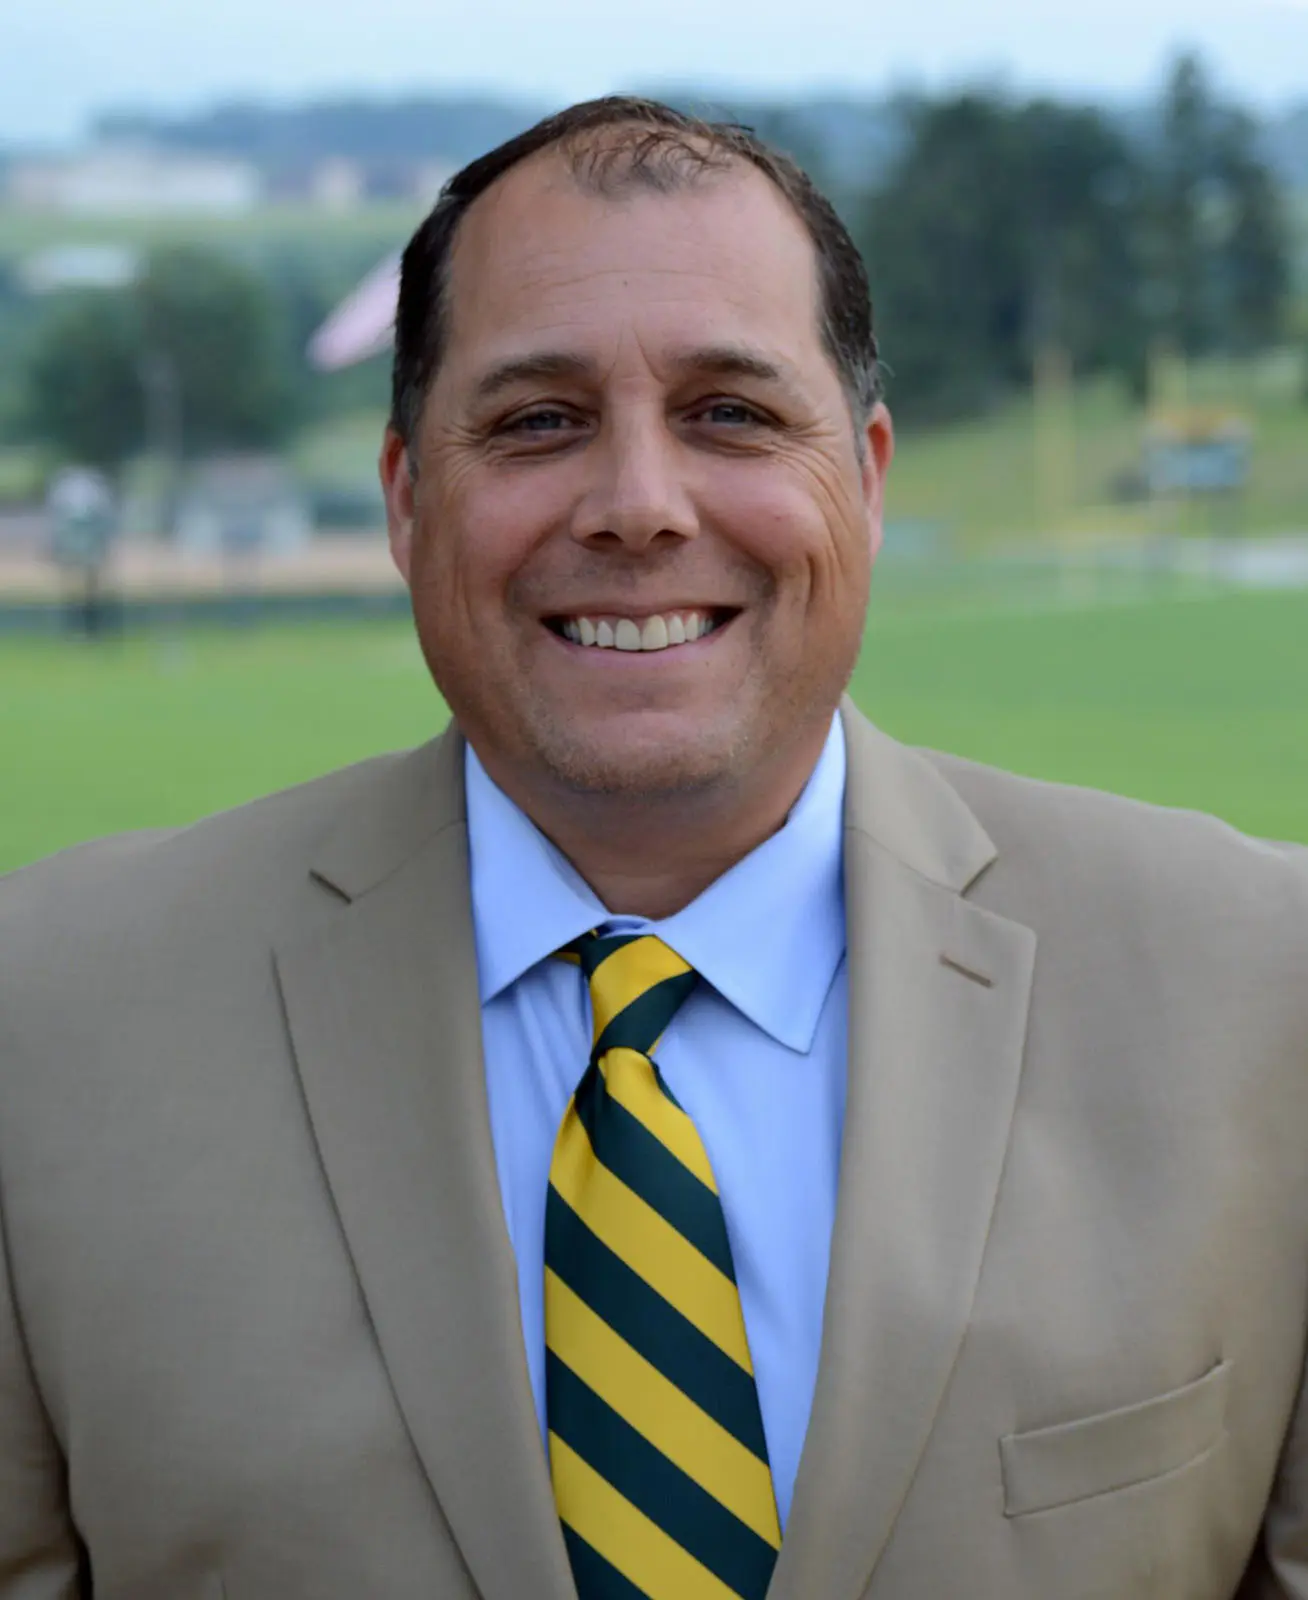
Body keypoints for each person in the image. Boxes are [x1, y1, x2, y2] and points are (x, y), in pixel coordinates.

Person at [1, 96, 1306, 1600]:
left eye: (732, 414)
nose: (638, 505)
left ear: (868, 479)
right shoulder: (44, 1023)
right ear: (407, 499)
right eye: (538, 421)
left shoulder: (1265, 988)